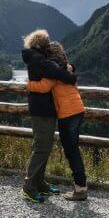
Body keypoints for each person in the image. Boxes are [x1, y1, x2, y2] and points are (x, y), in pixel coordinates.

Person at [20, 29, 77, 203]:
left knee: (44, 147)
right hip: (43, 110)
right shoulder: (39, 60)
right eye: (47, 42)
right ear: (42, 45)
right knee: (41, 148)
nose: (49, 45)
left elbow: (56, 71)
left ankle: (39, 183)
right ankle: (29, 187)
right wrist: (70, 72)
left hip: (44, 110)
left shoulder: (36, 59)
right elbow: (63, 75)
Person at [28, 39, 88, 201]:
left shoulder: (53, 71)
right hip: (78, 110)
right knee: (73, 149)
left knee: (71, 151)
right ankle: (81, 186)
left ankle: (80, 189)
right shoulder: (66, 68)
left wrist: (28, 85)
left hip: (67, 114)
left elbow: (43, 87)